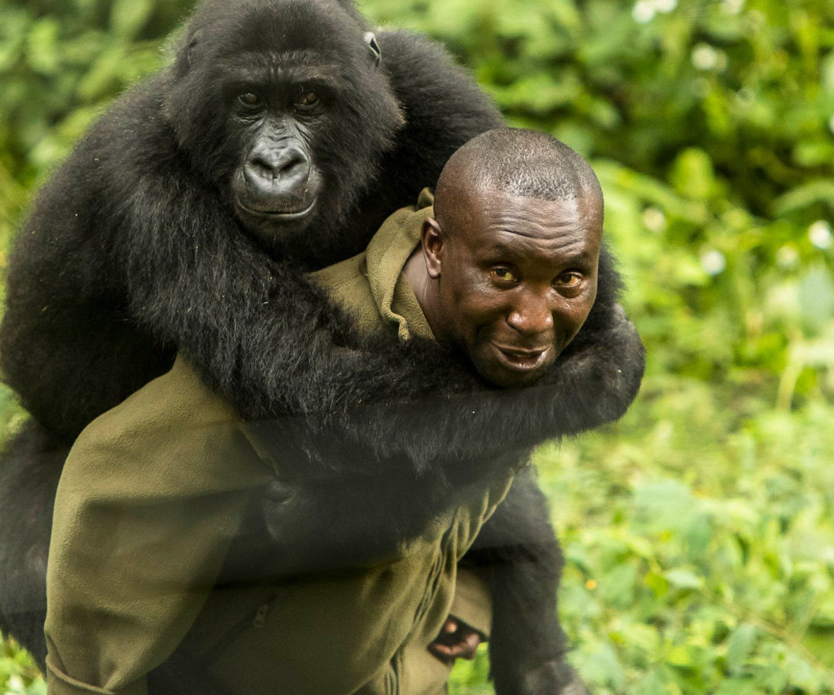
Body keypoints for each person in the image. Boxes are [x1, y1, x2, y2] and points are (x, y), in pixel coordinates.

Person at [44, 128, 634, 695]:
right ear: (435, 248)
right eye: (502, 272)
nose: (534, 319)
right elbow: (112, 482)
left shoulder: (518, 336)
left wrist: (465, 598)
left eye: (570, 278)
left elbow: (479, 474)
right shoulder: (299, 365)